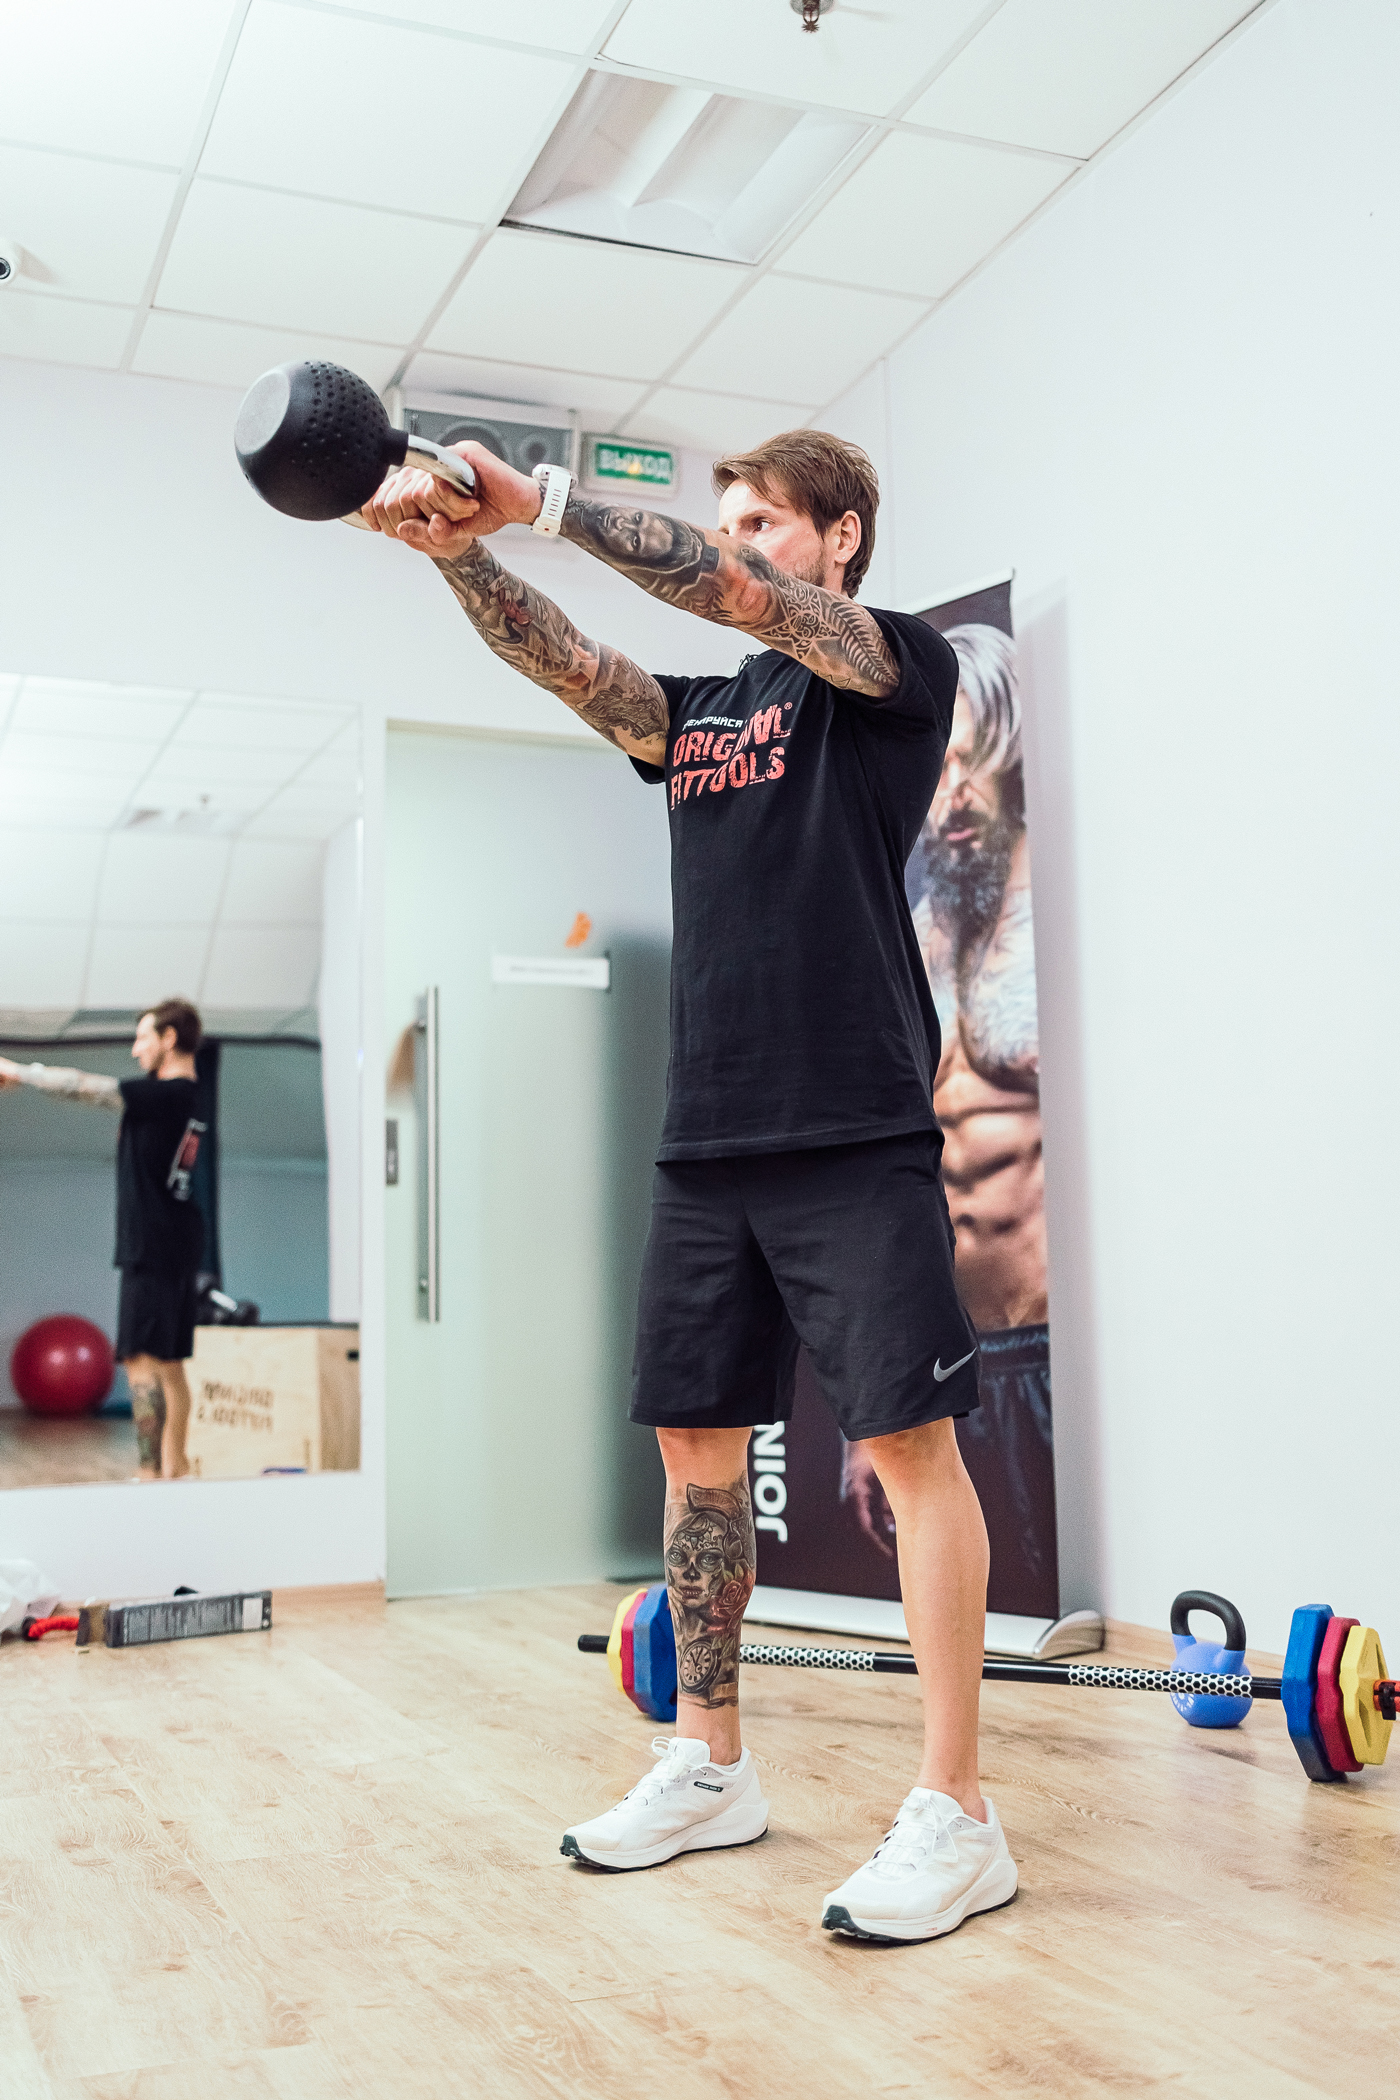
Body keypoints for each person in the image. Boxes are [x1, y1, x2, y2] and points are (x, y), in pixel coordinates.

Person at [358, 431, 1017, 1944]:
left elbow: (736, 595)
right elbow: (569, 664)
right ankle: (712, 1764)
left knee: (908, 1447)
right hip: (706, 1135)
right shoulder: (701, 720)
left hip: (849, 1127)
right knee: (693, 1447)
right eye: (733, 519)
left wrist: (545, 500)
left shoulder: (891, 670)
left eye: (767, 519)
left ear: (840, 538)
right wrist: (459, 554)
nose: (742, 540)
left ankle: (959, 1811)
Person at [841, 625, 1056, 1605]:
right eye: (938, 767)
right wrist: (869, 1409)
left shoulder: (1050, 935)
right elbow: (897, 1165)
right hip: (946, 1349)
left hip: (1047, 1351)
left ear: (1011, 762)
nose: (954, 793)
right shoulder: (917, 938)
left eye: (976, 762)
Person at [0, 1000, 207, 1480]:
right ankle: (177, 1469)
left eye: (143, 1038)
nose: (136, 1050)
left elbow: (84, 1087)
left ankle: (151, 1473)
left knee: (141, 1363)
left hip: (153, 1247)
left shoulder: (168, 1094)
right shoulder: (188, 1097)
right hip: (174, 1244)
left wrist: (20, 1073)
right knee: (170, 1364)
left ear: (169, 1038)